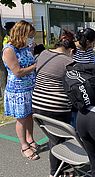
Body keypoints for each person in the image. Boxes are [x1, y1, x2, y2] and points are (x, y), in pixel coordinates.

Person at [32, 30, 76, 177]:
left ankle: (61, 165)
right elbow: (74, 84)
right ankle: (56, 172)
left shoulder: (43, 54)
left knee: (53, 136)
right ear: (70, 50)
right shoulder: (68, 61)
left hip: (37, 104)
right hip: (56, 107)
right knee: (57, 139)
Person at [2, 20, 38, 160]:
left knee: (29, 116)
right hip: (18, 90)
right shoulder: (9, 49)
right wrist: (35, 66)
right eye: (29, 35)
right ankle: (24, 145)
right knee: (22, 119)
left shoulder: (25, 47)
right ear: (21, 34)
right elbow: (18, 71)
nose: (31, 38)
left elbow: (28, 61)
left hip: (30, 88)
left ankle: (30, 139)